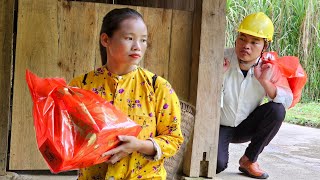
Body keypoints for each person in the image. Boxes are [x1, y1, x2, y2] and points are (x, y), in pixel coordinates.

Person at [69, 8, 183, 179]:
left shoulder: (158, 87)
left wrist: (138, 145)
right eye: (129, 38)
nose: (138, 46)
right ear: (106, 40)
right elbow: (67, 134)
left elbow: (174, 139)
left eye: (143, 40)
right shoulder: (81, 86)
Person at [217, 12, 293, 179]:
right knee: (216, 164)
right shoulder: (219, 58)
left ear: (264, 47)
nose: (246, 46)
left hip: (245, 126)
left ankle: (249, 160)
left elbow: (288, 100)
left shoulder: (268, 67)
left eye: (254, 42)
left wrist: (265, 82)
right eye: (242, 39)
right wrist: (217, 76)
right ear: (236, 39)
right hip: (218, 126)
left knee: (277, 110)